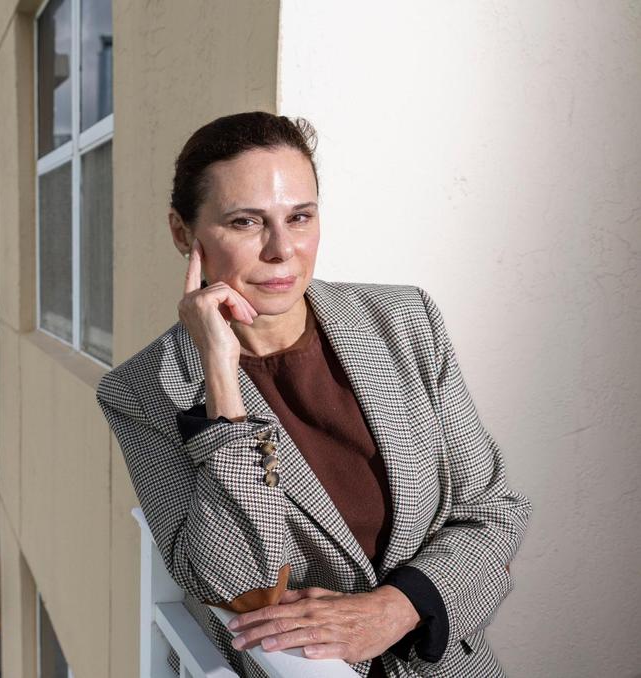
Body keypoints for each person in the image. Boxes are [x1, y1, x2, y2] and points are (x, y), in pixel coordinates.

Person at [95, 112, 532, 678]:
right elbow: (241, 587)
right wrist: (221, 376)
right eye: (246, 222)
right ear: (185, 233)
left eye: (299, 217)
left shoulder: (404, 320)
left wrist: (395, 609)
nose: (282, 250)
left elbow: (493, 514)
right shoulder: (144, 391)